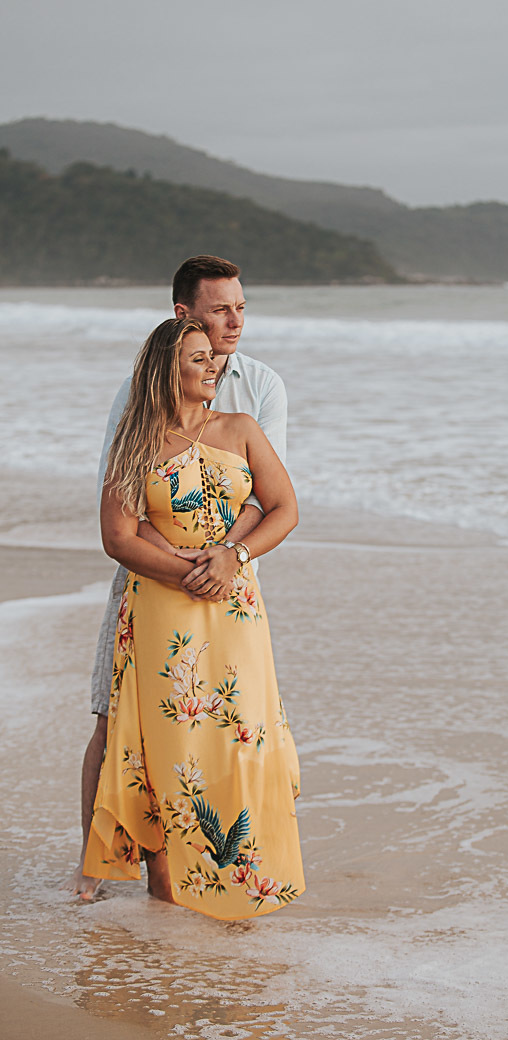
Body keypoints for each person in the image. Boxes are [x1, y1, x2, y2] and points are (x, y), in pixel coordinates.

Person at [70, 255, 288, 900]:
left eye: (241, 308)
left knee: (228, 726)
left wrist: (227, 559)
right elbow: (124, 510)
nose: (235, 323)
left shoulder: (262, 389)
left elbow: (264, 496)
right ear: (182, 317)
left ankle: (220, 864)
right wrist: (180, 564)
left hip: (230, 570)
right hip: (152, 565)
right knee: (117, 718)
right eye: (221, 309)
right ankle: (101, 863)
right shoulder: (136, 400)